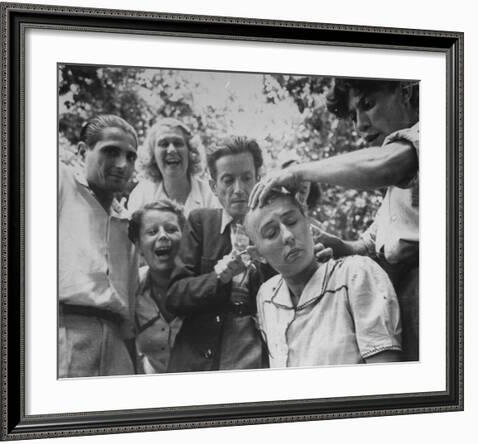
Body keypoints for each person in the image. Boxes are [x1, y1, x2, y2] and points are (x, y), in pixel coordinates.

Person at [249, 78, 419, 361]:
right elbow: (367, 244)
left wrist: (299, 172)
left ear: (405, 92)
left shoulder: (437, 133)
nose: (360, 124)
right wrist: (338, 245)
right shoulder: (394, 194)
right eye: (353, 115)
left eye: (367, 105)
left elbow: (383, 165)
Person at [245, 189, 403, 367]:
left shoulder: (355, 275)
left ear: (308, 223)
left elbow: (385, 375)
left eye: (291, 222)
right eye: (272, 233)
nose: (288, 236)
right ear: (258, 255)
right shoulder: (267, 296)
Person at [166, 137, 272, 372]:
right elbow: (174, 296)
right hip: (201, 355)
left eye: (246, 178)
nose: (238, 190)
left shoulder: (274, 228)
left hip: (257, 350)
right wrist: (217, 277)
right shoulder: (201, 223)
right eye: (228, 180)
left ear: (258, 180)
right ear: (214, 187)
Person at [58, 114, 139, 377]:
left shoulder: (128, 223)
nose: (121, 164)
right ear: (83, 151)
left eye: (130, 156)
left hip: (117, 345)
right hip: (67, 332)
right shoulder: (62, 184)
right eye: (111, 152)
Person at [127, 200, 185, 373]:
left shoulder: (204, 283)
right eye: (152, 231)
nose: (163, 236)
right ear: (138, 245)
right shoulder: (131, 288)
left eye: (171, 229)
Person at [128, 118, 220, 216]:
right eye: (164, 144)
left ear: (190, 152)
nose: (171, 150)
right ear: (152, 155)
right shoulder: (142, 194)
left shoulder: (210, 195)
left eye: (178, 143)